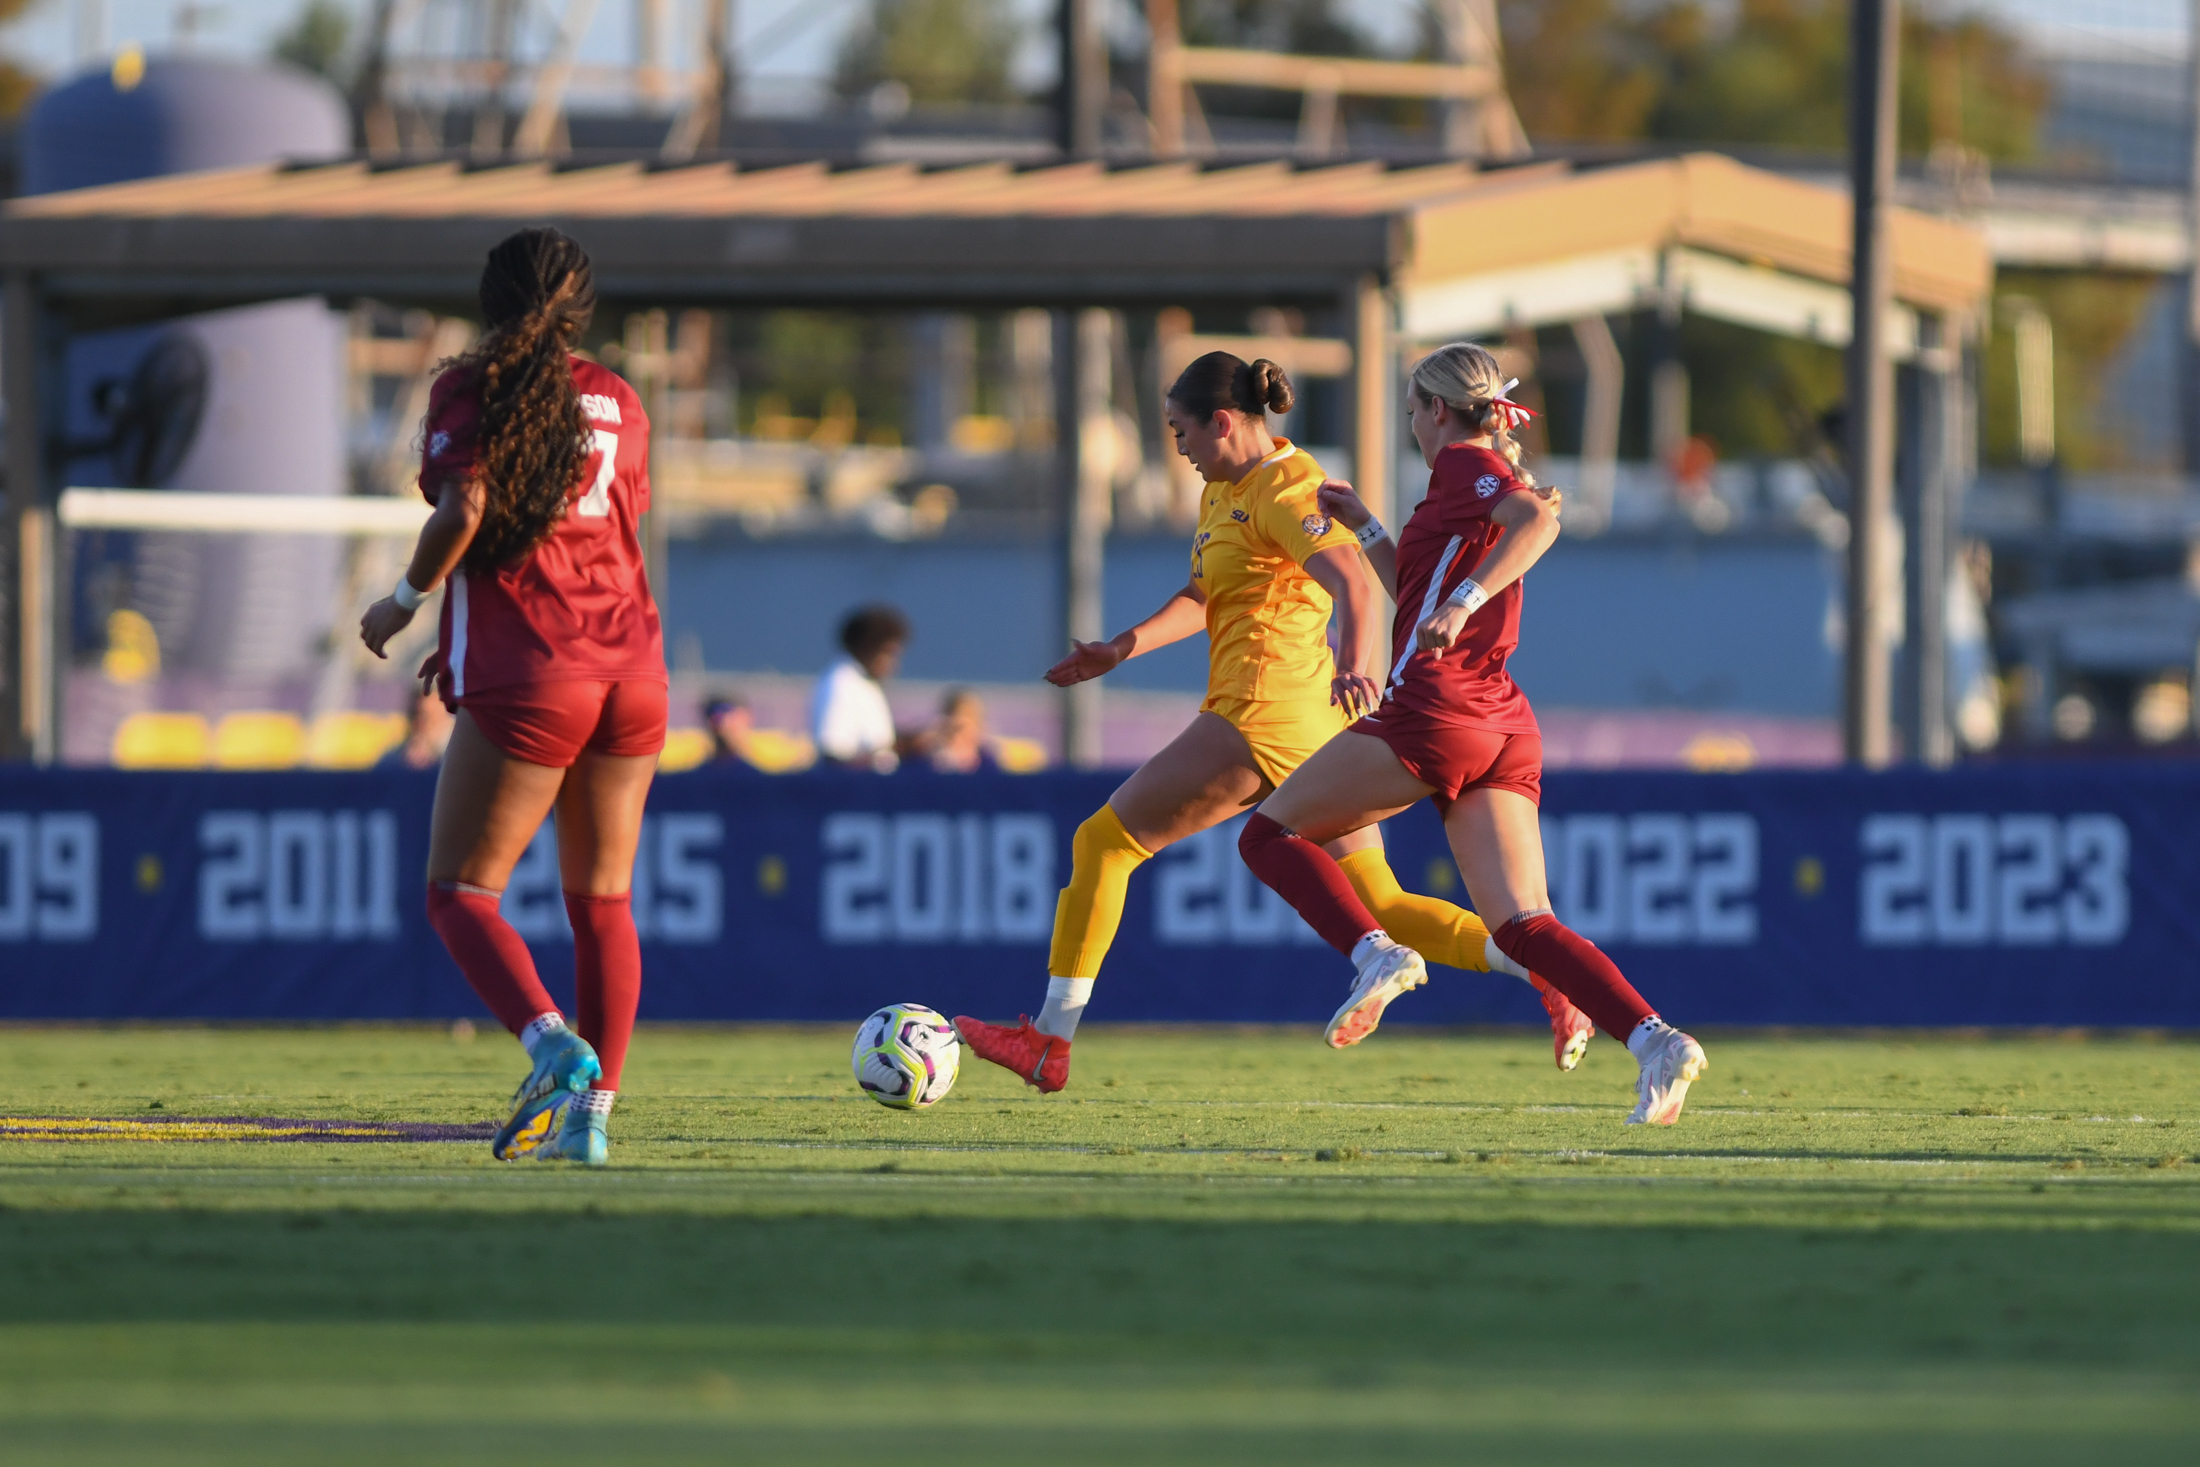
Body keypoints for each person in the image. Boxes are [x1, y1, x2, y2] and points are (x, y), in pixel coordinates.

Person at [954, 351, 1589, 1093]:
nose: (1179, 448)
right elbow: (1203, 594)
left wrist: (1359, 661)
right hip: (1306, 725)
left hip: (1259, 714)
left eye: (1182, 431)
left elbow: (1352, 578)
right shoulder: (1228, 490)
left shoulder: (1287, 486)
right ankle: (1546, 976)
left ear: (1224, 421)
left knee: (1104, 842)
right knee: (1383, 903)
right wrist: (1118, 648)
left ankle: (1048, 1043)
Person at [1236, 343, 1707, 1126]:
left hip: (1438, 708)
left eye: (1414, 410)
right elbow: (1415, 594)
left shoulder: (1462, 463)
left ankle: (1376, 953)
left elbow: (1534, 522)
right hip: (1501, 722)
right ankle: (1656, 1040)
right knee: (1524, 926)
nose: (1413, 426)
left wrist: (1463, 600)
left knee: (1267, 835)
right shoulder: (1454, 484)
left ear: (1438, 410)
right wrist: (1371, 529)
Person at [359, 226, 665, 1165]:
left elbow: (466, 510)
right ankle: (590, 1126)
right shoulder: (618, 397)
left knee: (459, 892)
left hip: (540, 671)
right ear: (582, 305)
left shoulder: (471, 387)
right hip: (634, 670)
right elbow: (602, 530)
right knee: (604, 902)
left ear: (488, 301)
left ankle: (551, 1044)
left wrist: (405, 603)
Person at [811, 604, 909, 771]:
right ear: (867, 648)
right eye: (888, 653)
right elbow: (833, 758)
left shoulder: (866, 683)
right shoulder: (841, 683)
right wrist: (902, 748)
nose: (893, 664)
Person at [919, 687, 997, 773]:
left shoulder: (989, 765)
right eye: (955, 729)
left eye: (970, 717)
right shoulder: (924, 761)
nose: (959, 737)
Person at [378, 684, 455, 770]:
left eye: (430, 717)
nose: (422, 724)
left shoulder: (457, 757)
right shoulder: (392, 760)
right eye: (418, 715)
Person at [703, 693, 761, 767]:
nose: (720, 724)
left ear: (747, 716)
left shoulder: (770, 757)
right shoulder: (697, 757)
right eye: (711, 715)